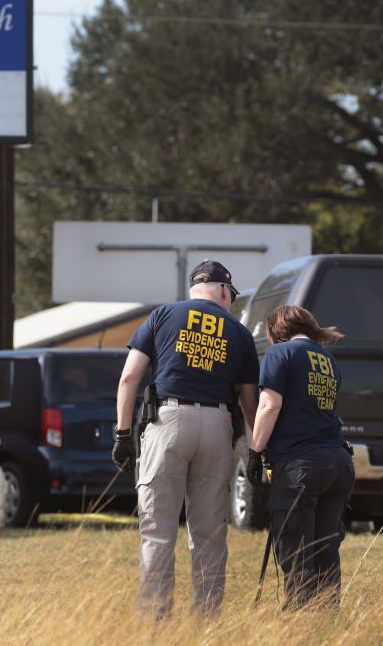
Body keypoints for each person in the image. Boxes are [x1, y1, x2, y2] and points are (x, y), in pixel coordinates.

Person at [113, 260, 259, 618]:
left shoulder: (163, 314)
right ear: (224, 290)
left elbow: (129, 378)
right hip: (217, 424)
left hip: (167, 421)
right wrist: (258, 449)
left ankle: (154, 622)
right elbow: (249, 401)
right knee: (209, 535)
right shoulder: (238, 332)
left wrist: (122, 433)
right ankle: (206, 622)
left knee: (158, 530)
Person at [247, 305, 354, 609]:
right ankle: (327, 618)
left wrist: (255, 451)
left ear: (276, 331)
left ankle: (299, 622)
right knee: (326, 549)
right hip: (338, 464)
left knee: (296, 549)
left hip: (301, 466)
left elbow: (270, 406)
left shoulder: (280, 354)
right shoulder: (328, 360)